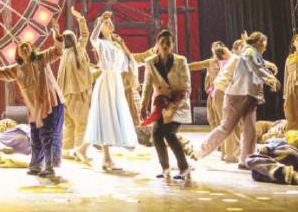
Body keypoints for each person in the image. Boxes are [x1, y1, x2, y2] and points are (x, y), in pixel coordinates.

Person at [0, 24, 64, 178]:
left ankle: (49, 166)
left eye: (26, 45)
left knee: (47, 135)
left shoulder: (42, 58)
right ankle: (36, 165)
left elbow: (57, 51)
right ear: (18, 53)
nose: (24, 48)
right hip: (34, 109)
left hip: (50, 104)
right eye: (21, 47)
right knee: (35, 136)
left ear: (32, 49)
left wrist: (57, 36)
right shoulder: (16, 70)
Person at [196, 32, 280, 168]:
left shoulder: (251, 53)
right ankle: (199, 153)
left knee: (250, 130)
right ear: (259, 42)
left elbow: (257, 64)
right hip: (236, 95)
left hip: (249, 97)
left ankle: (246, 161)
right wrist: (269, 78)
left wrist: (269, 72)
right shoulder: (249, 53)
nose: (266, 47)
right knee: (226, 128)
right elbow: (254, 65)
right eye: (264, 43)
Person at [83, 12, 141, 172]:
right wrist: (99, 20)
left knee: (109, 117)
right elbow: (92, 38)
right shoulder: (100, 43)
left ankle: (87, 151)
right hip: (106, 81)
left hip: (116, 82)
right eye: (105, 23)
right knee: (106, 117)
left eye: (109, 21)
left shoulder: (116, 45)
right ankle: (106, 158)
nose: (109, 24)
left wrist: (134, 76)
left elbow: (130, 61)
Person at [141, 29, 193, 180]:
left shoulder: (181, 61)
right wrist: (143, 106)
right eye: (162, 42)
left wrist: (174, 105)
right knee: (156, 134)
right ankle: (165, 168)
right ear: (157, 44)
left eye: (168, 43)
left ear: (172, 45)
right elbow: (147, 85)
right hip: (160, 105)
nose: (165, 45)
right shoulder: (150, 62)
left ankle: (184, 167)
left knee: (169, 133)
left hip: (177, 104)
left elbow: (186, 87)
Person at [58, 6, 95, 164]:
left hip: (64, 95)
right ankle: (80, 151)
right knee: (81, 123)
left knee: (69, 124)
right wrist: (80, 18)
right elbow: (85, 34)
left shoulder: (64, 55)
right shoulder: (78, 50)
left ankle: (65, 150)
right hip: (78, 94)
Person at [189, 41, 232, 160]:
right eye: (215, 46)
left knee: (222, 121)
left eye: (220, 46)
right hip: (212, 95)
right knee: (212, 119)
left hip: (223, 94)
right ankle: (218, 144)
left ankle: (225, 148)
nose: (217, 48)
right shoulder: (211, 62)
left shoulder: (230, 61)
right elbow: (196, 65)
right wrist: (181, 65)